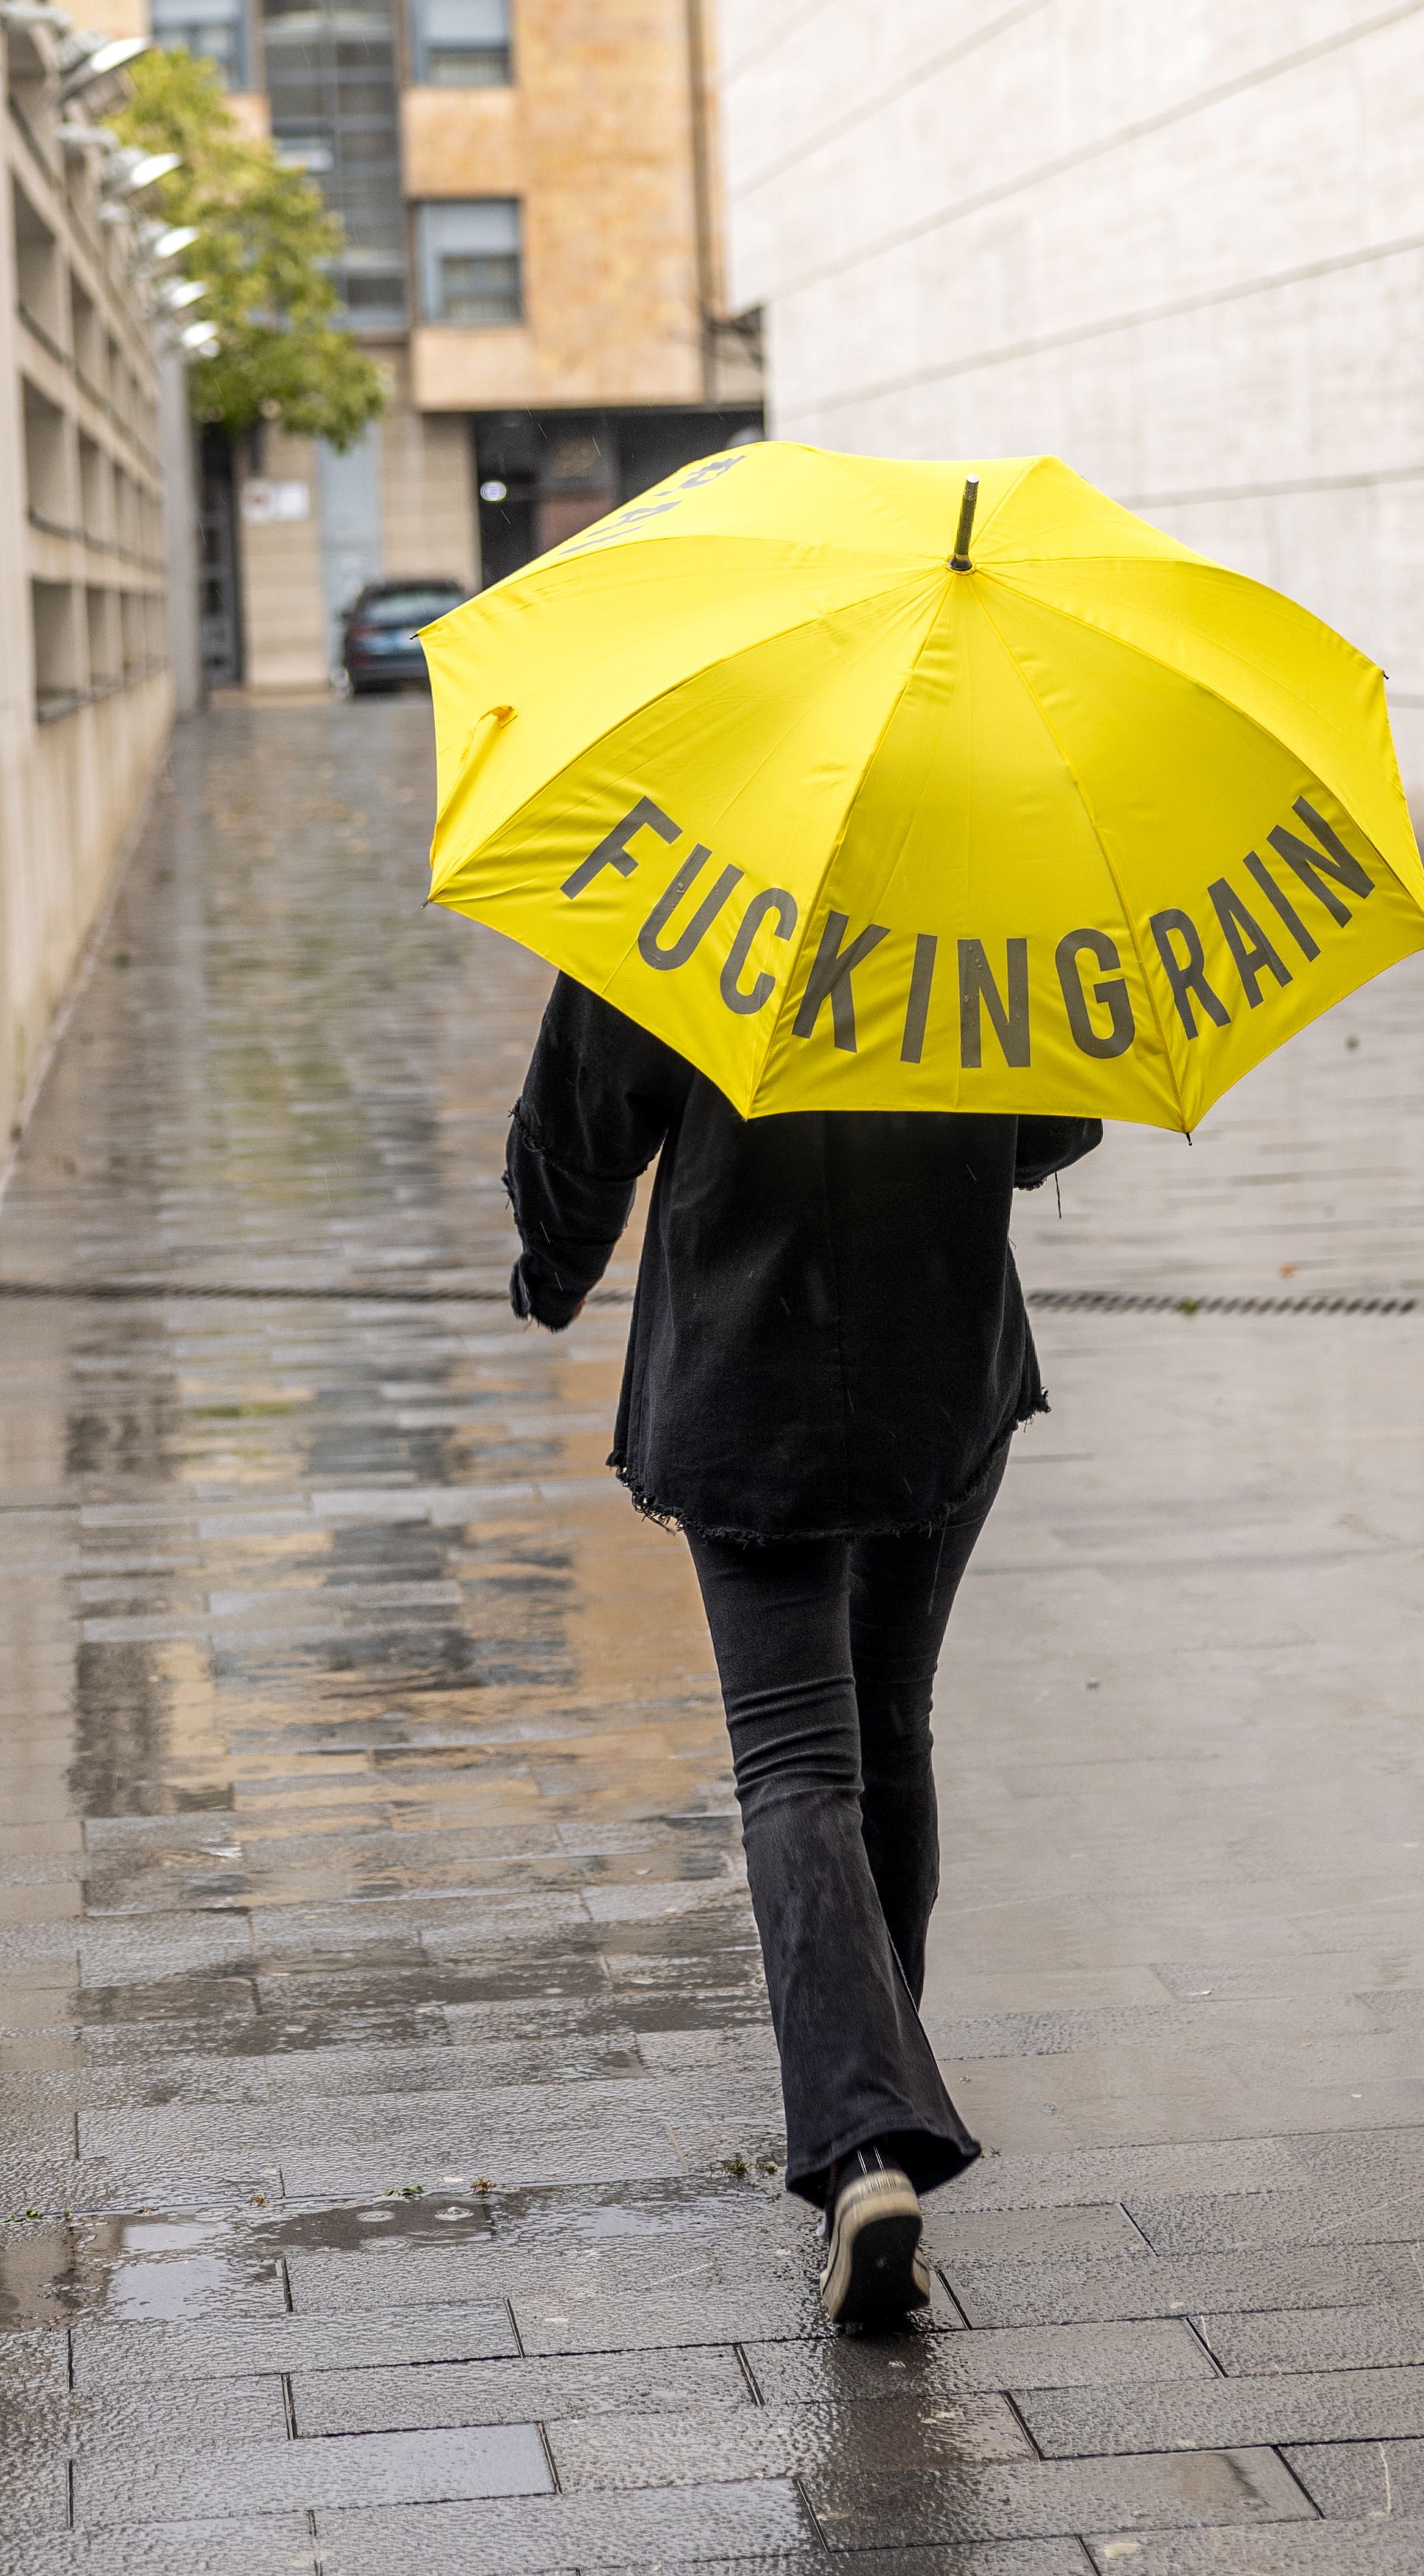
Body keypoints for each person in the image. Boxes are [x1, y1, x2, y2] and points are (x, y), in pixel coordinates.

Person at [504, 973, 1101, 2332]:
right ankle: (878, 2107)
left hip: (744, 1356)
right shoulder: (981, 864)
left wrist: (553, 1268)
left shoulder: (684, 860)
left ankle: (863, 2140)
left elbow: (583, 1111)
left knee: (793, 1762)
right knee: (889, 1722)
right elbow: (1047, 1128)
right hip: (940, 1358)